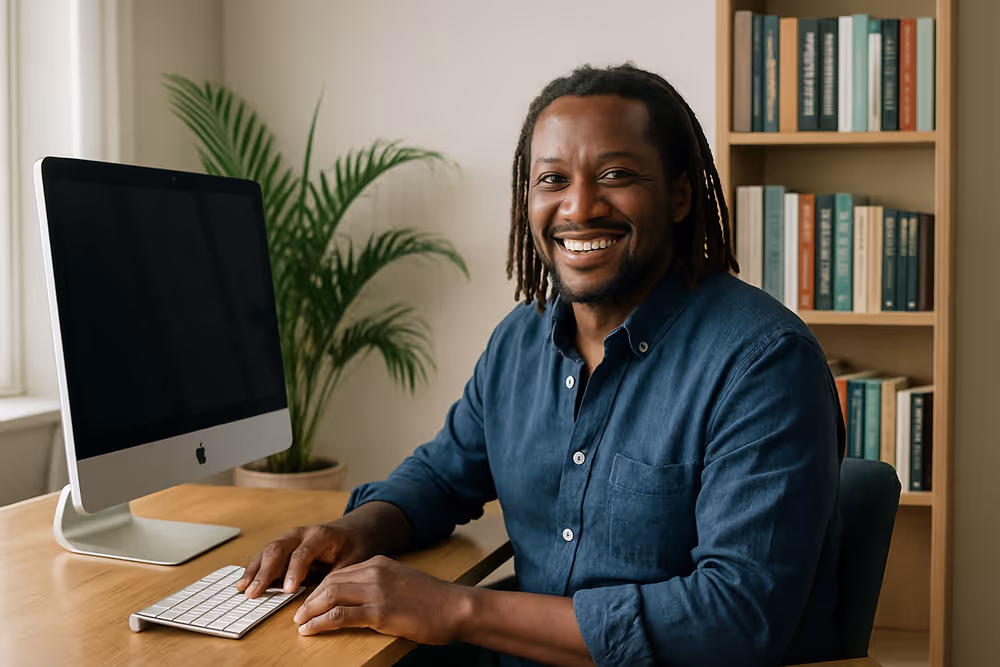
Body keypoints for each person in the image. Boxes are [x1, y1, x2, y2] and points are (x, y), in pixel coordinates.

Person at [236, 63, 846, 667]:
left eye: (615, 174)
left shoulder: (762, 364)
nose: (579, 207)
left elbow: (733, 619)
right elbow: (445, 476)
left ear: (681, 194)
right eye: (552, 179)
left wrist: (456, 609)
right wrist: (357, 531)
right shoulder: (520, 341)